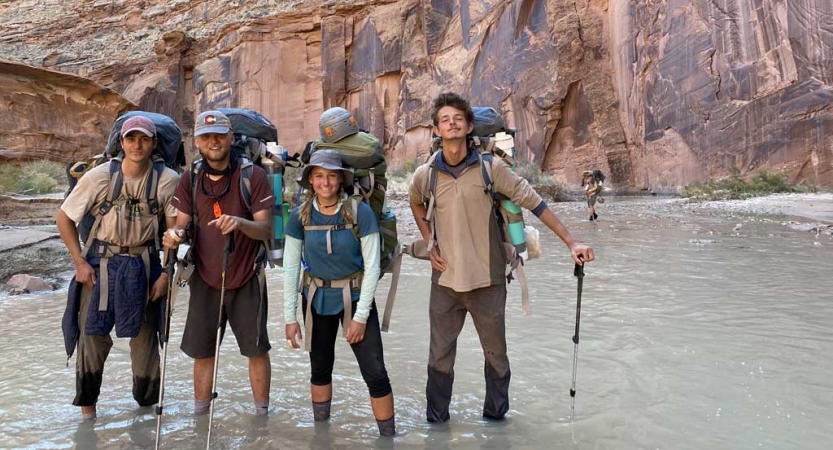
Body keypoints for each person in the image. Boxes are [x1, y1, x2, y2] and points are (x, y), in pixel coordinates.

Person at [408, 92, 595, 423]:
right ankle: (436, 428)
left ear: (467, 128)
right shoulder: (427, 175)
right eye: (444, 120)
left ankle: (496, 427)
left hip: (488, 281)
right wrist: (429, 241)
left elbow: (533, 202)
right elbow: (415, 203)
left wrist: (571, 242)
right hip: (445, 282)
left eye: (458, 119)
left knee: (496, 357)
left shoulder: (490, 169)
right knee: (439, 358)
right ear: (437, 130)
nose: (451, 124)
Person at [56, 115, 180, 420]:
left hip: (146, 267)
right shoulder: (98, 177)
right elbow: (65, 218)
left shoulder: (168, 181)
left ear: (153, 144)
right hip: (99, 267)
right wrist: (79, 262)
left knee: (145, 343)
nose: (137, 145)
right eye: (131, 139)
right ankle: (88, 418)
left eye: (144, 139)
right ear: (121, 143)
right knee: (91, 341)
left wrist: (166, 274)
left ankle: (146, 416)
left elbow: (177, 230)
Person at [162, 110, 273, 415]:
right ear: (197, 142)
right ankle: (200, 416)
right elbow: (182, 226)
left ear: (231, 138)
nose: (214, 142)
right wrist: (174, 235)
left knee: (257, 349)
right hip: (205, 277)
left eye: (220, 136)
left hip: (247, 276)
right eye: (206, 137)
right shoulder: (191, 178)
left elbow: (266, 229)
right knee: (202, 351)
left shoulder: (254, 176)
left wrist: (240, 222)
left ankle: (261, 416)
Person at [283, 150, 396, 436]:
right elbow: (291, 268)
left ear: (341, 180)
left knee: (376, 374)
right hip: (316, 300)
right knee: (320, 370)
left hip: (356, 299)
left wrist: (359, 317)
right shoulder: (300, 216)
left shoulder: (361, 212)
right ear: (310, 180)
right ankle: (322, 437)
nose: (325, 182)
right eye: (319, 176)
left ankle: (388, 439)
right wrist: (289, 316)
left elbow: (371, 268)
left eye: (332, 176)